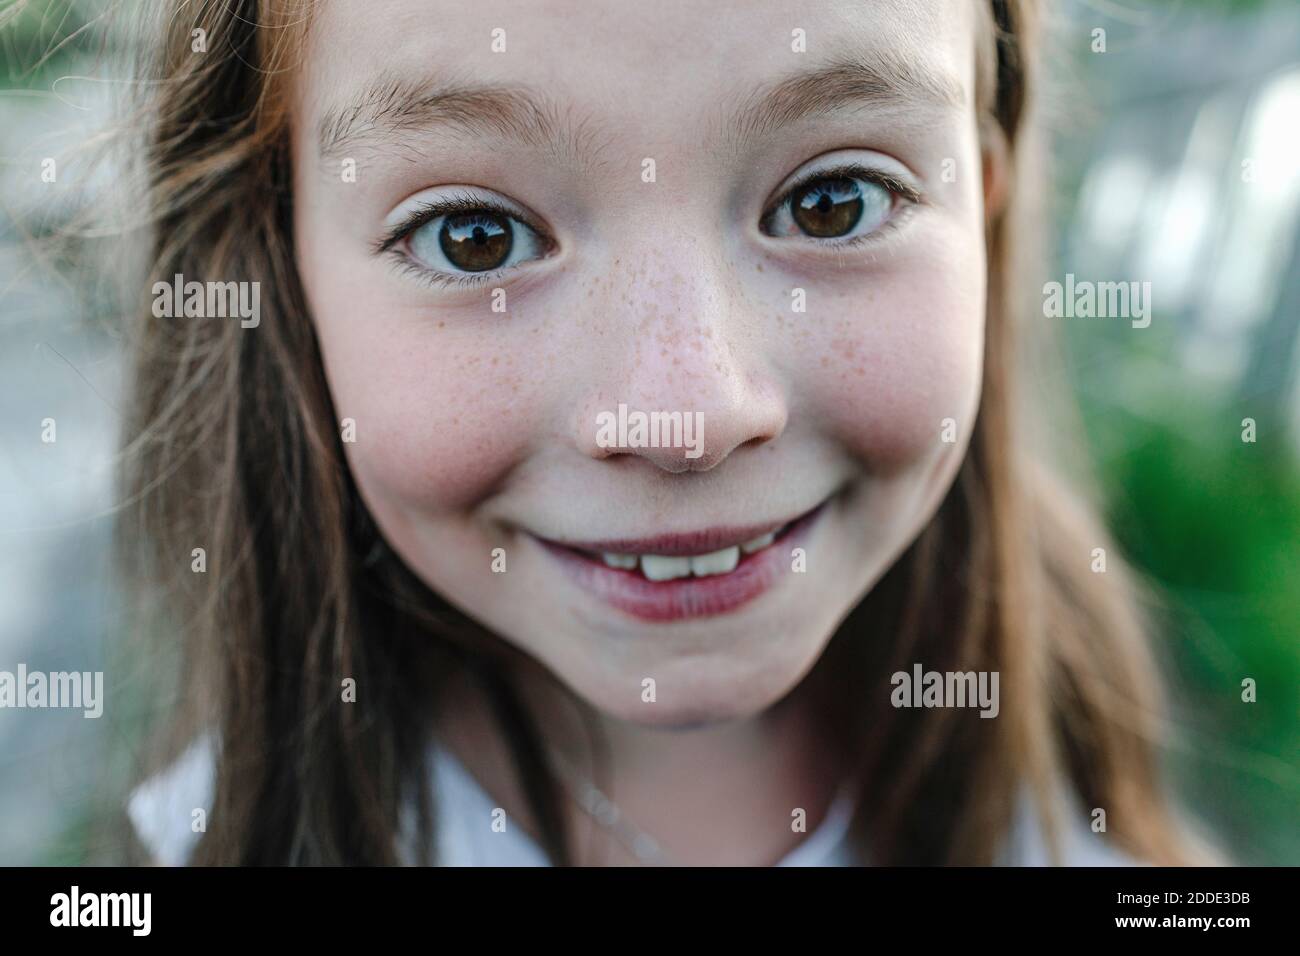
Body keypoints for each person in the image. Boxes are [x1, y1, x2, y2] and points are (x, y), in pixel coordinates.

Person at [119, 0, 1209, 866]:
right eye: (476, 235)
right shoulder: (229, 836)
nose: (684, 415)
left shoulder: (1065, 768)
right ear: (282, 267)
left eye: (833, 201)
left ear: (985, 209)